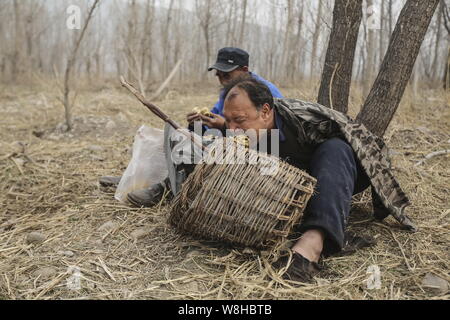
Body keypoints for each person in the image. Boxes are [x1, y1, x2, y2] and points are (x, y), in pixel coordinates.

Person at [209, 77, 415, 283]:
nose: (233, 129)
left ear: (265, 112)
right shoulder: (246, 133)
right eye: (228, 121)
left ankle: (312, 245)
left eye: (240, 120)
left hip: (340, 170)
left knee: (335, 148)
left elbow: (364, 145)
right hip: (296, 177)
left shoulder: (306, 119)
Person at [100, 47, 284, 207]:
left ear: (244, 70)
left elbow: (271, 136)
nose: (222, 81)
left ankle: (166, 188)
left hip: (257, 152)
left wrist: (223, 126)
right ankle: (136, 178)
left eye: (227, 75)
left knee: (189, 150)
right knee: (171, 139)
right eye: (219, 76)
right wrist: (198, 123)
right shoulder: (230, 92)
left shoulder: (265, 92)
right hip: (226, 142)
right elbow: (215, 121)